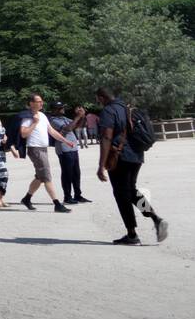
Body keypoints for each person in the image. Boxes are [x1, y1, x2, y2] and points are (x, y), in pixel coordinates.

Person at [96, 87, 168, 245]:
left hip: (119, 157)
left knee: (121, 195)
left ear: (101, 98)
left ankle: (132, 234)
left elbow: (107, 137)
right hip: (136, 155)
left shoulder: (109, 111)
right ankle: (156, 219)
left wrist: (101, 165)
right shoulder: (126, 107)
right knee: (130, 191)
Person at [17, 94, 74, 213]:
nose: (41, 103)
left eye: (42, 101)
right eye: (38, 101)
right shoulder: (28, 117)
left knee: (40, 177)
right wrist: (34, 123)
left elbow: (51, 131)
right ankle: (57, 204)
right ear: (31, 103)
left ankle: (27, 199)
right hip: (35, 149)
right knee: (47, 176)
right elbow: (23, 133)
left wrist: (65, 141)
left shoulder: (42, 115)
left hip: (43, 149)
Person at [49, 101, 88, 205]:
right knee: (67, 174)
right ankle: (67, 197)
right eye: (61, 107)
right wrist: (78, 117)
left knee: (76, 173)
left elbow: (78, 125)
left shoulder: (64, 118)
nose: (63, 109)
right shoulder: (53, 120)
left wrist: (82, 116)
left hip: (73, 148)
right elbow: (68, 128)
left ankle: (78, 195)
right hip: (64, 149)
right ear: (55, 110)